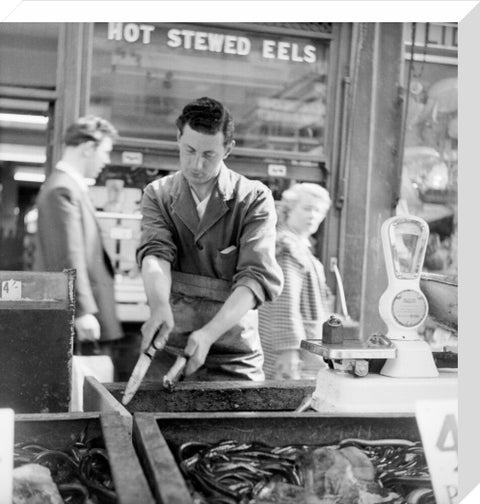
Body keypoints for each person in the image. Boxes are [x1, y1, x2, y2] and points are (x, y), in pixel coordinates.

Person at [136, 96, 283, 381]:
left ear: (228, 149)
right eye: (189, 150)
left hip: (233, 352)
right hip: (168, 344)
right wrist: (158, 306)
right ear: (178, 138)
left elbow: (255, 277)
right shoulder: (159, 194)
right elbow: (155, 254)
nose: (197, 164)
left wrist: (208, 334)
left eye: (209, 155)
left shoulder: (253, 198)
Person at [34, 116, 123, 364]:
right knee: (84, 394)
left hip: (86, 314)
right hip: (82, 318)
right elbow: (67, 255)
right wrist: (82, 311)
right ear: (88, 148)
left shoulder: (67, 187)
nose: (106, 160)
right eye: (105, 152)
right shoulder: (62, 190)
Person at [259, 183, 335, 380]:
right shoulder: (287, 247)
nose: (313, 215)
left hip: (304, 346)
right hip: (293, 353)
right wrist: (288, 351)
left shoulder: (298, 245)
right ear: (289, 210)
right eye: (307, 208)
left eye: (318, 211)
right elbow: (285, 302)